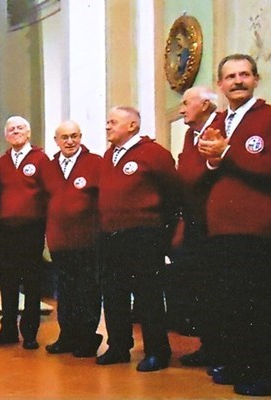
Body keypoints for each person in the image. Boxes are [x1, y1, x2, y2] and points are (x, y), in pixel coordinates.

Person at [197, 54, 271, 396]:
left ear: (256, 79)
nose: (237, 81)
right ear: (221, 85)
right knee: (231, 302)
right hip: (222, 228)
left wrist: (228, 153)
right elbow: (209, 172)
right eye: (230, 76)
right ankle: (243, 362)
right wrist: (212, 161)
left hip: (258, 227)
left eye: (244, 74)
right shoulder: (219, 120)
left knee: (261, 302)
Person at [96, 106, 180, 372]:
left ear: (132, 125)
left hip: (144, 236)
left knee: (148, 295)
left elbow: (173, 195)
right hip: (111, 236)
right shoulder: (109, 155)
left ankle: (157, 351)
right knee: (114, 293)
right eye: (107, 121)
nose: (107, 126)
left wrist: (161, 235)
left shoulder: (154, 154)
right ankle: (119, 346)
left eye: (113, 122)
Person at [0, 116, 48, 350]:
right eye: (11, 129)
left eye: (20, 128)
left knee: (31, 282)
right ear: (6, 135)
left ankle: (30, 333)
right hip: (6, 229)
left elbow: (48, 192)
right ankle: (8, 329)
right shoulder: (2, 162)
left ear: (29, 133)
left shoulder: (40, 159)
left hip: (31, 228)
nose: (15, 132)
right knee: (8, 282)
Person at [42, 121, 103, 358]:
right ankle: (67, 336)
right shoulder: (49, 167)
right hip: (59, 241)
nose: (70, 141)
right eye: (64, 137)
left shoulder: (95, 163)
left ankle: (87, 338)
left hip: (87, 241)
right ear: (56, 140)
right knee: (65, 292)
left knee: (87, 290)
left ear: (81, 137)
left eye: (74, 136)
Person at [171, 86, 218, 367]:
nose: (181, 109)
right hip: (193, 220)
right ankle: (208, 345)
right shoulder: (191, 135)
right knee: (199, 287)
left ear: (205, 105)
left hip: (212, 221)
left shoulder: (219, 127)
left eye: (186, 103)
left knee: (213, 287)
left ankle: (220, 348)